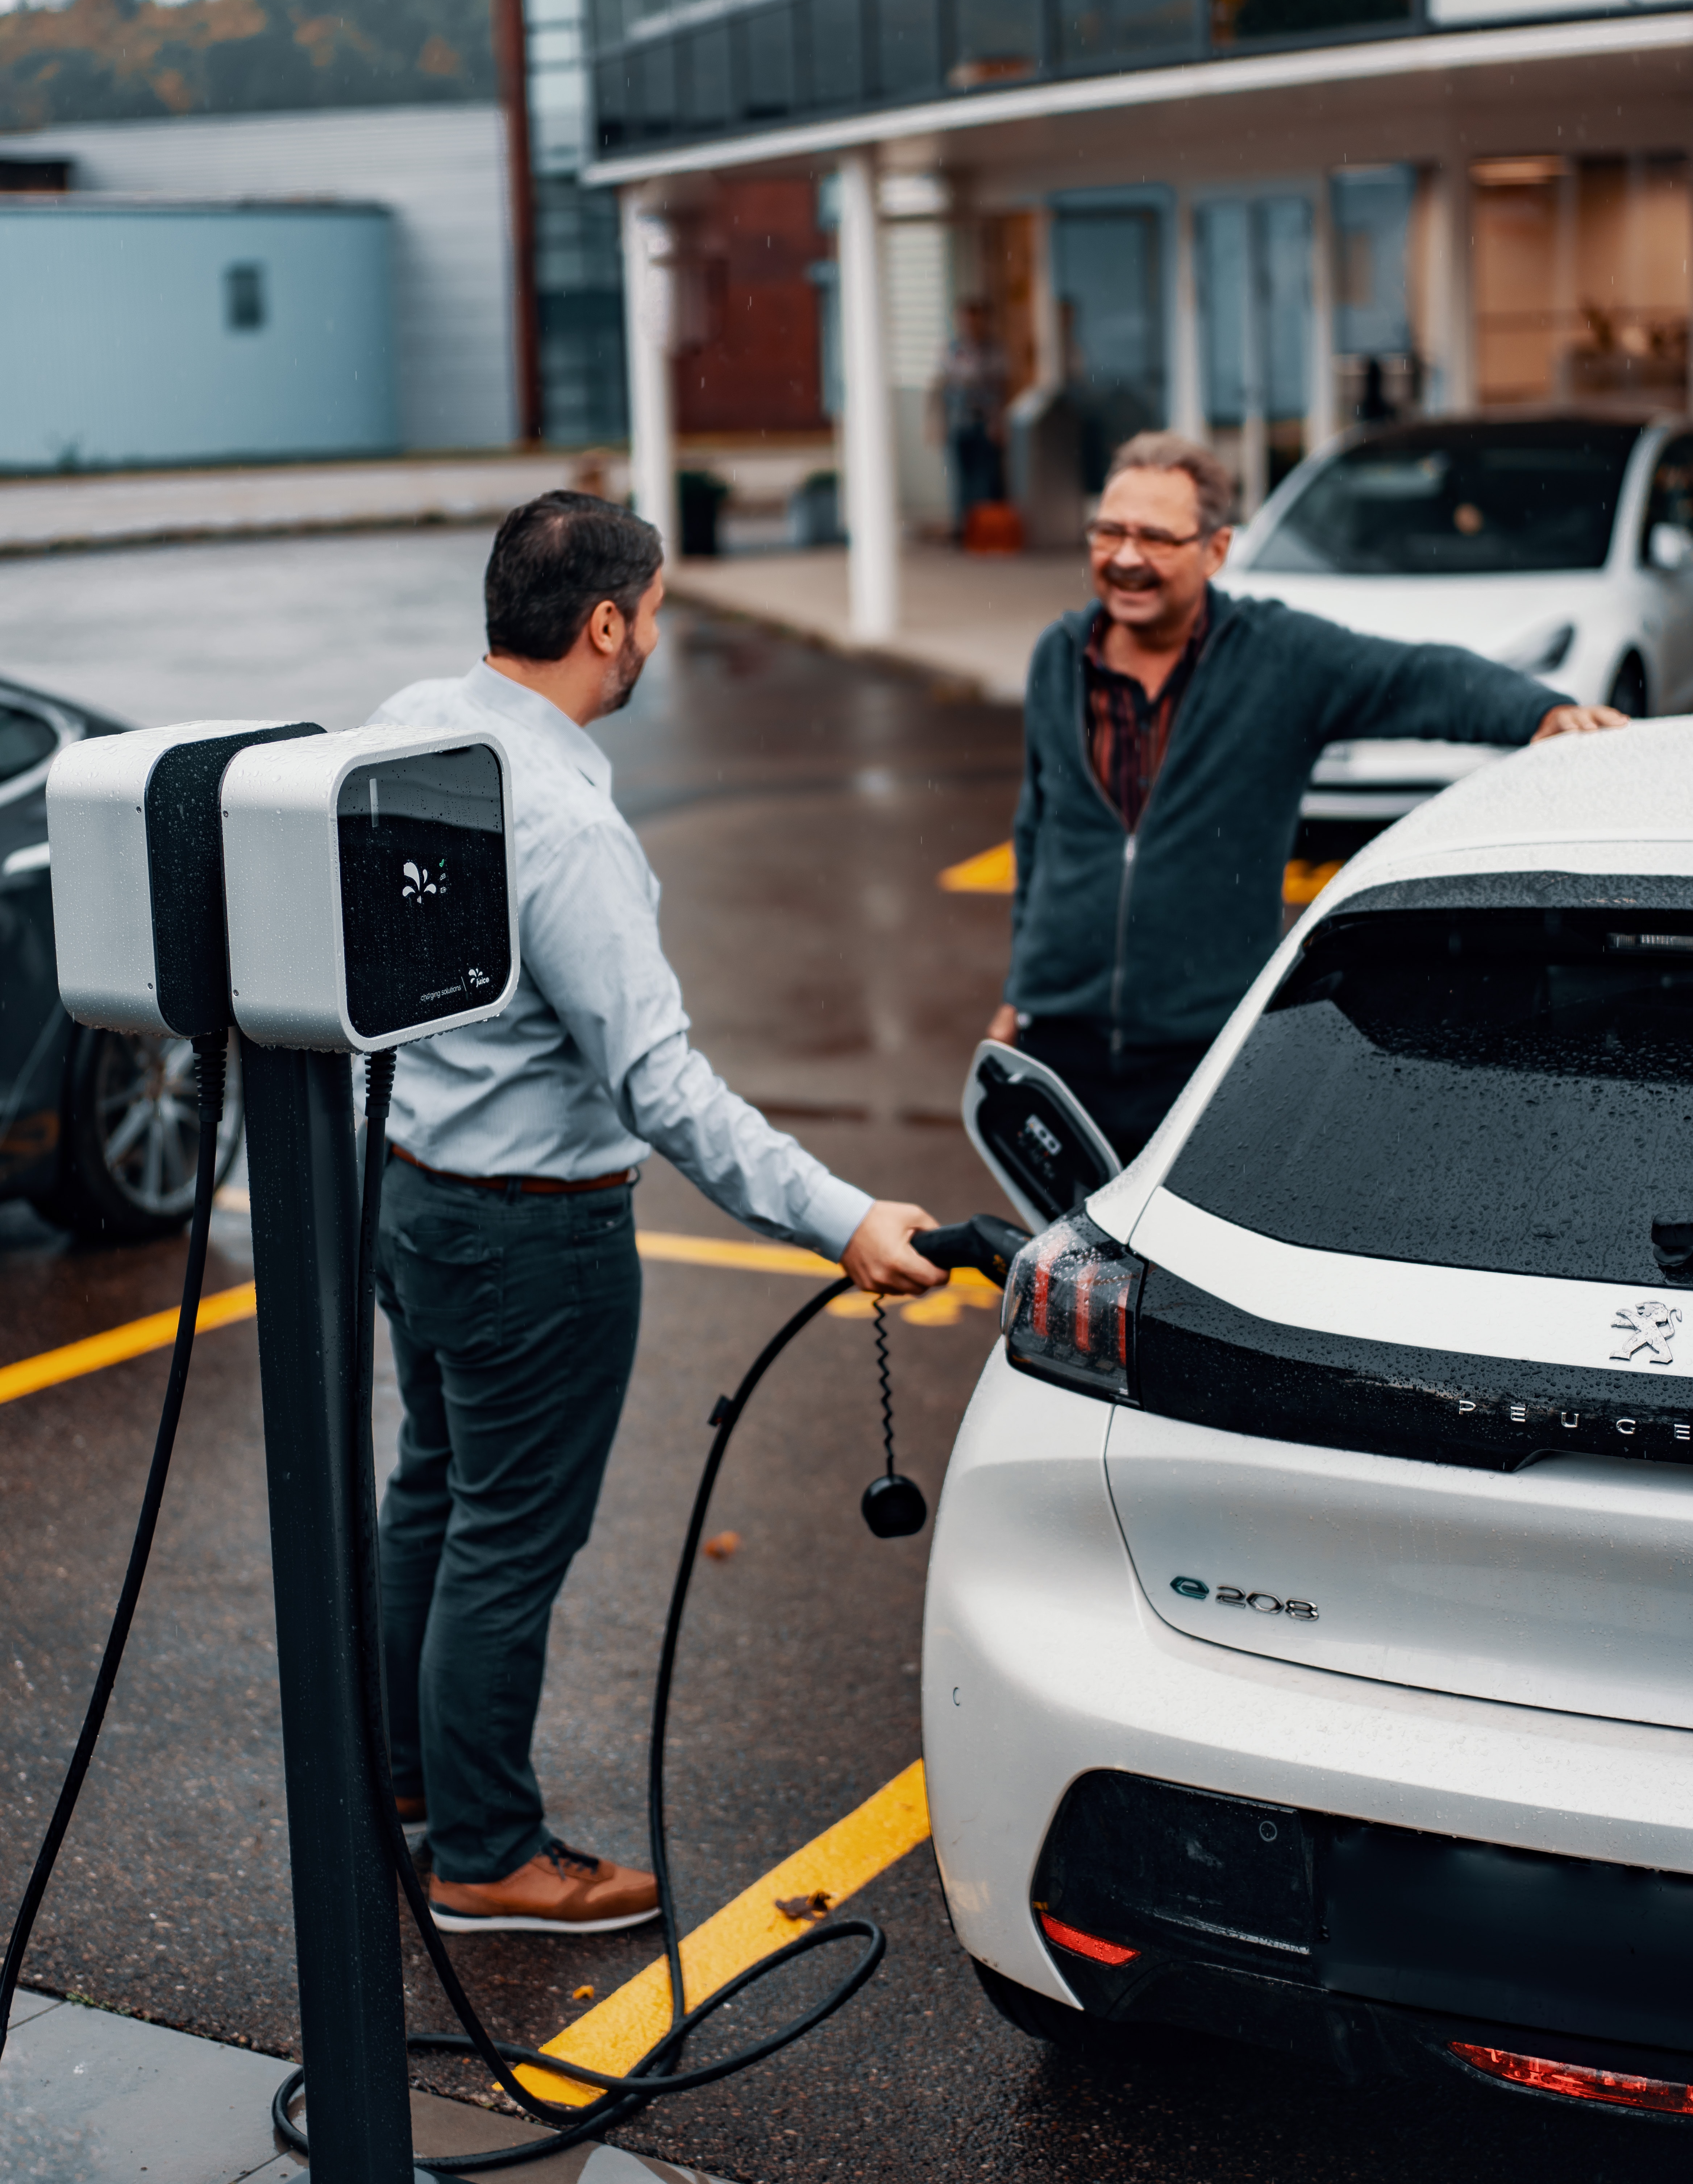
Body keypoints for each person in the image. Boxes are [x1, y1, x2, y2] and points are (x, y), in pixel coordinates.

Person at [370, 491, 943, 1937]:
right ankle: (489, 1856)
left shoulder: (405, 729)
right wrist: (842, 1218)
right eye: (657, 614)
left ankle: (410, 1782)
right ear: (607, 623)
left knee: (435, 1495)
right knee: (505, 1536)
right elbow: (661, 1086)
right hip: (530, 1239)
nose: (657, 641)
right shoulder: (562, 825)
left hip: (416, 1201)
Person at [985, 429, 1626, 1160]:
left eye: (1156, 538)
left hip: (1205, 1047)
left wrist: (1537, 712)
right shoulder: (1057, 655)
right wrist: (1018, 988)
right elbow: (1041, 826)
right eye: (1110, 532)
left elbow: (1414, 676)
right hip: (1058, 1048)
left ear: (1215, 550)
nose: (1126, 558)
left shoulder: (1280, 658)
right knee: (1064, 1263)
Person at [930, 298, 1009, 536]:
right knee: (961, 479)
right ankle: (963, 529)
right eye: (966, 320)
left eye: (975, 320)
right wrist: (937, 422)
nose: (970, 325)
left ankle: (986, 530)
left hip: (985, 423)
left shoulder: (994, 350)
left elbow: (1001, 390)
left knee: (987, 479)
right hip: (959, 422)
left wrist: (998, 423)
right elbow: (940, 388)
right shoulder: (952, 351)